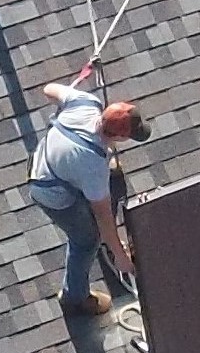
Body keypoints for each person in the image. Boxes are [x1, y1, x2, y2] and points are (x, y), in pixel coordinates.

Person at [26, 78, 147, 317]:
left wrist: (68, 99)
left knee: (99, 186)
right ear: (120, 137)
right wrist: (121, 258)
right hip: (51, 193)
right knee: (86, 240)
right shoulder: (93, 167)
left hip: (46, 162)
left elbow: (48, 89)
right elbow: (103, 218)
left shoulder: (86, 103)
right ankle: (75, 297)